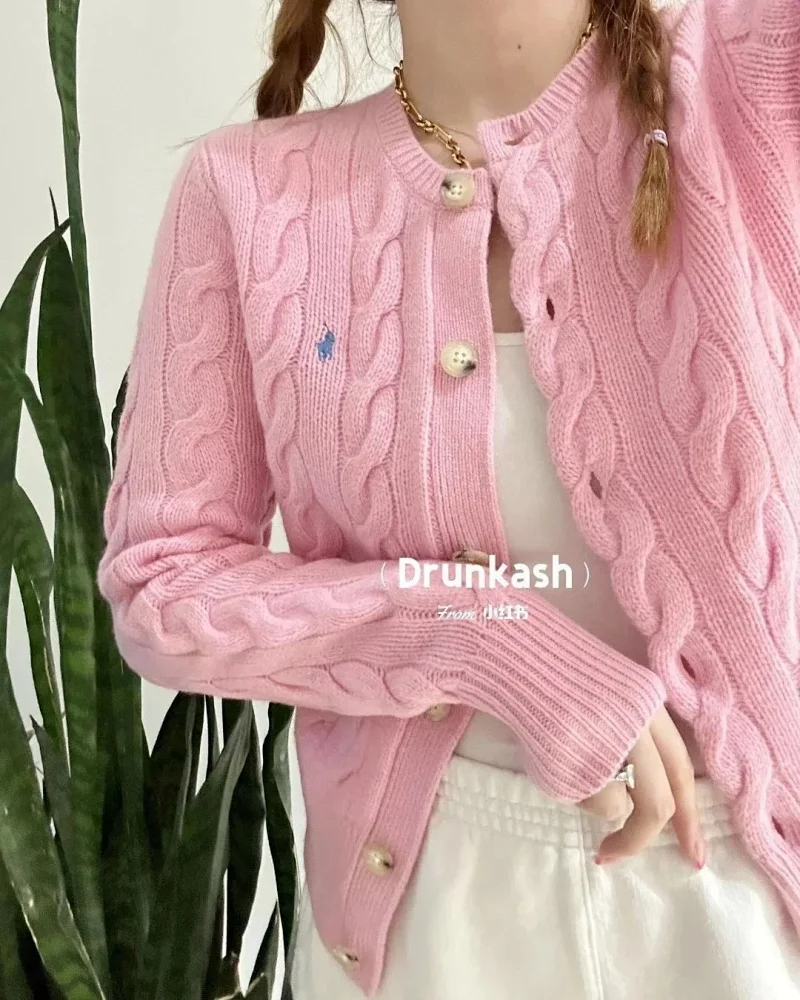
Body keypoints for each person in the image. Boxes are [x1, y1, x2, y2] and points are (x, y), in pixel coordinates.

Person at [97, 0, 800, 995]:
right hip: (428, 915)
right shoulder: (247, 192)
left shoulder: (745, 75)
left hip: (742, 902)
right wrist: (479, 635)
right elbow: (163, 585)